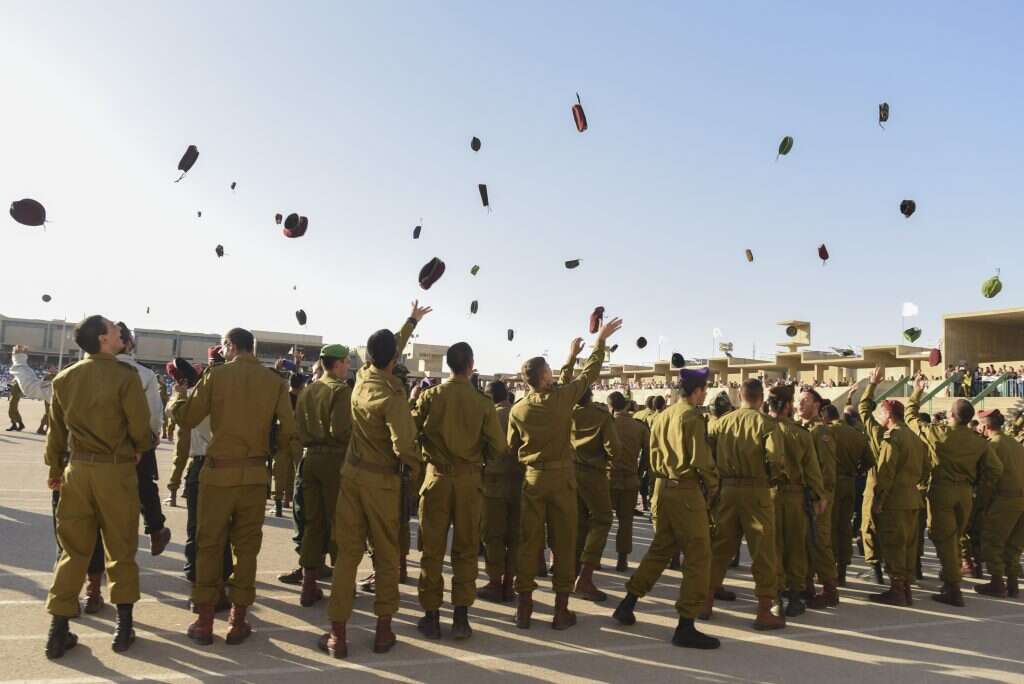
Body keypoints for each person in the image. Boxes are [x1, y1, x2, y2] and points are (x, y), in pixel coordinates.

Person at [170, 327, 298, 645]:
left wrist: (177, 398)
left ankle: (203, 621)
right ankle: (237, 620)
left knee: (209, 545)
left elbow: (188, 418)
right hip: (255, 475)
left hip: (217, 475)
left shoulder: (217, 377)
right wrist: (269, 450)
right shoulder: (275, 382)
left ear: (230, 346)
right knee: (247, 550)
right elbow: (289, 428)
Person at [318, 302, 430, 658]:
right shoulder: (393, 395)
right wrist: (418, 468)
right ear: (394, 360)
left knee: (347, 556)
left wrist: (410, 321)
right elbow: (404, 445)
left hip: (352, 477)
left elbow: (389, 346)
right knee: (385, 556)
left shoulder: (363, 377)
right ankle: (383, 632)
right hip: (382, 483)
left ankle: (337, 634)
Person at [43, 315, 155, 659]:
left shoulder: (65, 378)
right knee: (120, 549)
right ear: (103, 340)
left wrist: (56, 469)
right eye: (113, 328)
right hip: (114, 472)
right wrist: (142, 444)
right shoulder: (126, 376)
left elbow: (56, 434)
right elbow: (140, 427)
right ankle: (123, 628)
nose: (120, 331)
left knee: (72, 551)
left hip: (76, 472)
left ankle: (58, 630)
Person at [510, 318, 622, 631]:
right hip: (561, 480)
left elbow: (510, 445)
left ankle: (524, 610)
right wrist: (599, 343)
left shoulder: (518, 410)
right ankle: (560, 612)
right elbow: (588, 377)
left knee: (529, 543)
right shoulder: (561, 401)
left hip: (533, 479)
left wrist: (570, 359)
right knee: (563, 543)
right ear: (545, 376)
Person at [612, 368, 721, 649]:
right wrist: (713, 483)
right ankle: (686, 624)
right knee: (699, 555)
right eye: (704, 388)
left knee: (661, 549)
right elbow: (699, 457)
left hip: (663, 488)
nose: (705, 393)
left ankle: (628, 603)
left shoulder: (663, 415)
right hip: (685, 489)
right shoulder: (692, 416)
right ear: (696, 390)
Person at [413, 341, 505, 640]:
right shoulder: (483, 403)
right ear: (470, 365)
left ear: (449, 364)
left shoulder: (430, 395)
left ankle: (431, 617)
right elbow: (499, 448)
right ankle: (461, 618)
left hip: (436, 478)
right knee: (466, 550)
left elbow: (412, 432)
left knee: (432, 551)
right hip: (469, 482)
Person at [906, 374, 1003, 606]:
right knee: (955, 538)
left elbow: (910, 418)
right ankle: (951, 581)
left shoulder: (938, 433)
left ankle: (953, 588)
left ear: (950, 415)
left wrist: (917, 391)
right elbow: (995, 469)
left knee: (945, 540)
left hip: (942, 491)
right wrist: (979, 486)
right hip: (966, 494)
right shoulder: (979, 441)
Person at [701, 378, 787, 630]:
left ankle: (706, 602)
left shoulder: (722, 422)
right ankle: (763, 610)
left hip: (727, 489)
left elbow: (708, 451)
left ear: (740, 396)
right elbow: (776, 460)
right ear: (761, 398)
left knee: (720, 548)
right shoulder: (767, 424)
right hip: (756, 490)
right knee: (762, 552)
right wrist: (769, 479)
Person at [864, 366, 930, 606]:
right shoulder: (914, 437)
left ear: (889, 417)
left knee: (893, 545)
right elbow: (926, 469)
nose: (880, 419)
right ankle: (905, 589)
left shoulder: (892, 438)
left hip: (894, 501)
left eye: (881, 415)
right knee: (908, 546)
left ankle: (897, 590)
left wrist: (879, 500)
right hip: (912, 498)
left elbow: (885, 473)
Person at [293, 344, 352, 607]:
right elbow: (341, 430)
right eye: (346, 361)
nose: (348, 365)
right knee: (339, 521)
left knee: (312, 522)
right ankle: (342, 584)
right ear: (337, 363)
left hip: (310, 458)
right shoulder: (340, 390)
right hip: (334, 459)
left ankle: (309, 584)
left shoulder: (308, 390)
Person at [560, 366, 621, 601]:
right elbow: (614, 448)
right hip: (594, 474)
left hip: (569, 471)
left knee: (578, 523)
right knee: (602, 519)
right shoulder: (600, 415)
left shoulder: (566, 412)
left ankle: (572, 572)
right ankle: (585, 577)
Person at [115, 322, 172, 556]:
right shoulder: (145, 374)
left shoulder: (87, 370)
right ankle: (155, 530)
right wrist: (153, 435)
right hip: (137, 439)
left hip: (100, 442)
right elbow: (153, 413)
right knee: (146, 488)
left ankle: (94, 577)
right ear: (129, 343)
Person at [769, 385, 825, 618]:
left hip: (769, 494)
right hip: (795, 496)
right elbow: (812, 470)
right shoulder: (800, 434)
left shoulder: (763, 429)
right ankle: (794, 597)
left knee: (772, 547)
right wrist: (820, 495)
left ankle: (773, 598)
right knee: (796, 547)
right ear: (788, 405)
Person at [478, 380, 523, 603]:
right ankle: (509, 584)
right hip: (519, 482)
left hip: (493, 483)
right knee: (514, 536)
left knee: (492, 535)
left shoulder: (487, 416)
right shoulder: (519, 413)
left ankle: (495, 582)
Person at [796, 387, 840, 608]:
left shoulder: (821, 432)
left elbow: (827, 469)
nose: (800, 404)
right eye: (799, 401)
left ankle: (830, 589)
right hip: (806, 495)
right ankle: (806, 585)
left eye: (805, 401)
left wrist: (821, 496)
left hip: (818, 497)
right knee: (805, 542)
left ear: (816, 405)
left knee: (820, 542)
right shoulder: (803, 429)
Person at [975, 409, 1024, 598]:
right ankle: (1012, 584)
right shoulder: (1014, 443)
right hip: (1021, 499)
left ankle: (997, 582)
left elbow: (989, 478)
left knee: (991, 542)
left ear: (985, 426)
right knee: (1013, 545)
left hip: (1005, 499)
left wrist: (982, 503)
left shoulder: (993, 445)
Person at [824, 402, 872, 585]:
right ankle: (842, 569)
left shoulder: (827, 432)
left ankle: (829, 570)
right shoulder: (856, 434)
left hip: (831, 483)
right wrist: (857, 471)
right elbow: (869, 461)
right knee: (844, 527)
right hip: (850, 482)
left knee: (829, 527)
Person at [607, 390, 650, 572]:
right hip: (630, 479)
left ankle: (593, 560)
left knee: (601, 522)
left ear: (610, 406)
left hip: (608, 479)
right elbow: (648, 454)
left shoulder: (607, 424)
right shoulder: (639, 427)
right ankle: (622, 560)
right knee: (626, 522)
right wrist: (639, 473)